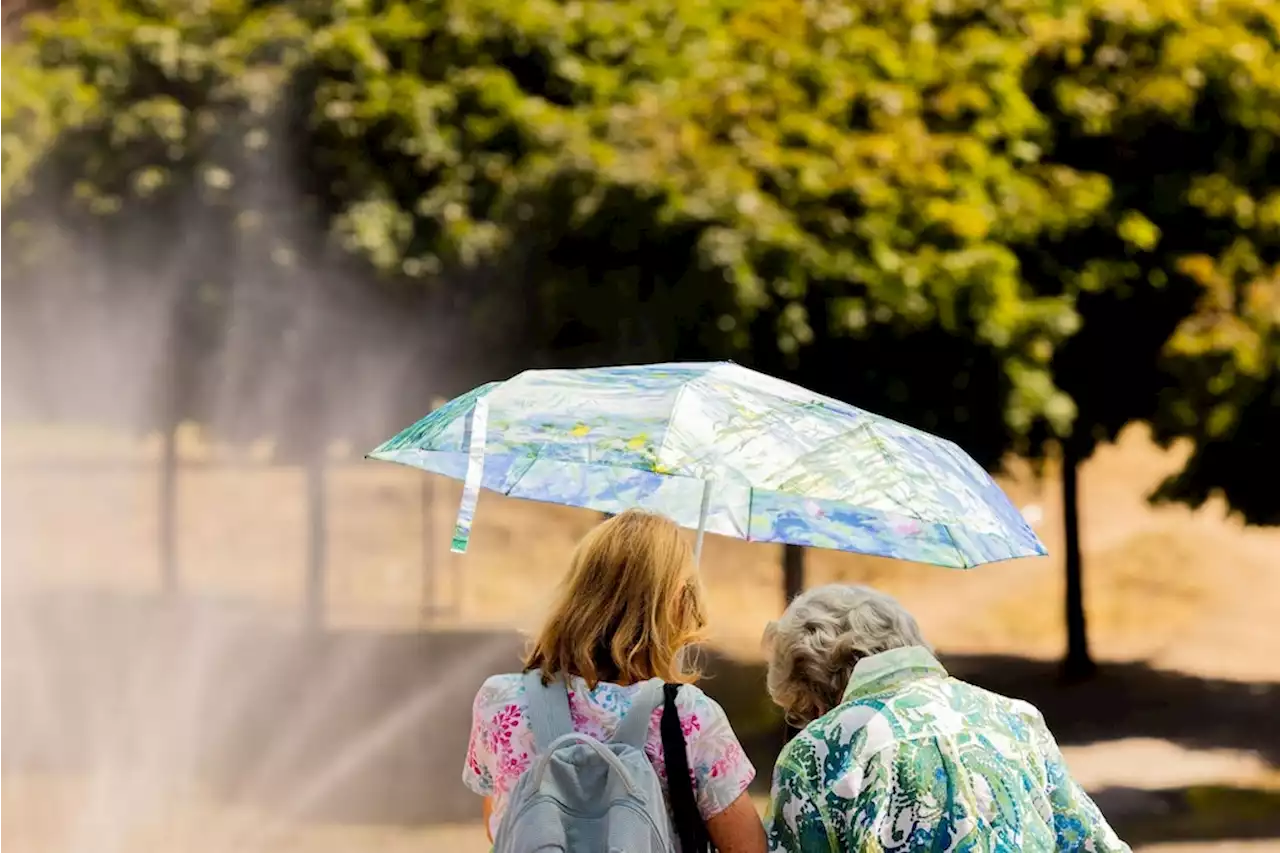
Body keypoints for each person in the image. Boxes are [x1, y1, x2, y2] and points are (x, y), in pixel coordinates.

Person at [463, 509, 767, 852]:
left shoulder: (500, 701)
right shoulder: (689, 717)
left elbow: (501, 822)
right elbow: (747, 847)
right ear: (678, 603)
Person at [762, 584, 1131, 852]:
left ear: (812, 691)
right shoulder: (1016, 719)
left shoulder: (815, 754)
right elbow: (1093, 845)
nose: (807, 722)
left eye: (800, 712)